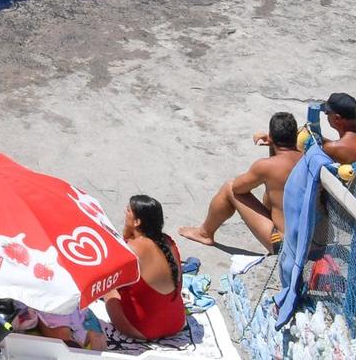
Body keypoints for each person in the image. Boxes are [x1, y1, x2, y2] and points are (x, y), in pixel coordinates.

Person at [178, 110, 302, 251]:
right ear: (295, 136)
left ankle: (204, 233)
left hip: (283, 245)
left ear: (271, 136)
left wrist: (272, 144)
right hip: (306, 242)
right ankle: (204, 233)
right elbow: (284, 159)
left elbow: (238, 188)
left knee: (229, 187)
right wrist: (274, 145)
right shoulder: (306, 159)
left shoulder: (266, 166)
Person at [106, 195, 188, 342]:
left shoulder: (130, 249)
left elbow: (110, 278)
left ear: (137, 222)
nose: (125, 213)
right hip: (177, 322)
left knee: (108, 290)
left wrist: (126, 231)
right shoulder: (168, 241)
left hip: (144, 329)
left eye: (128, 211)